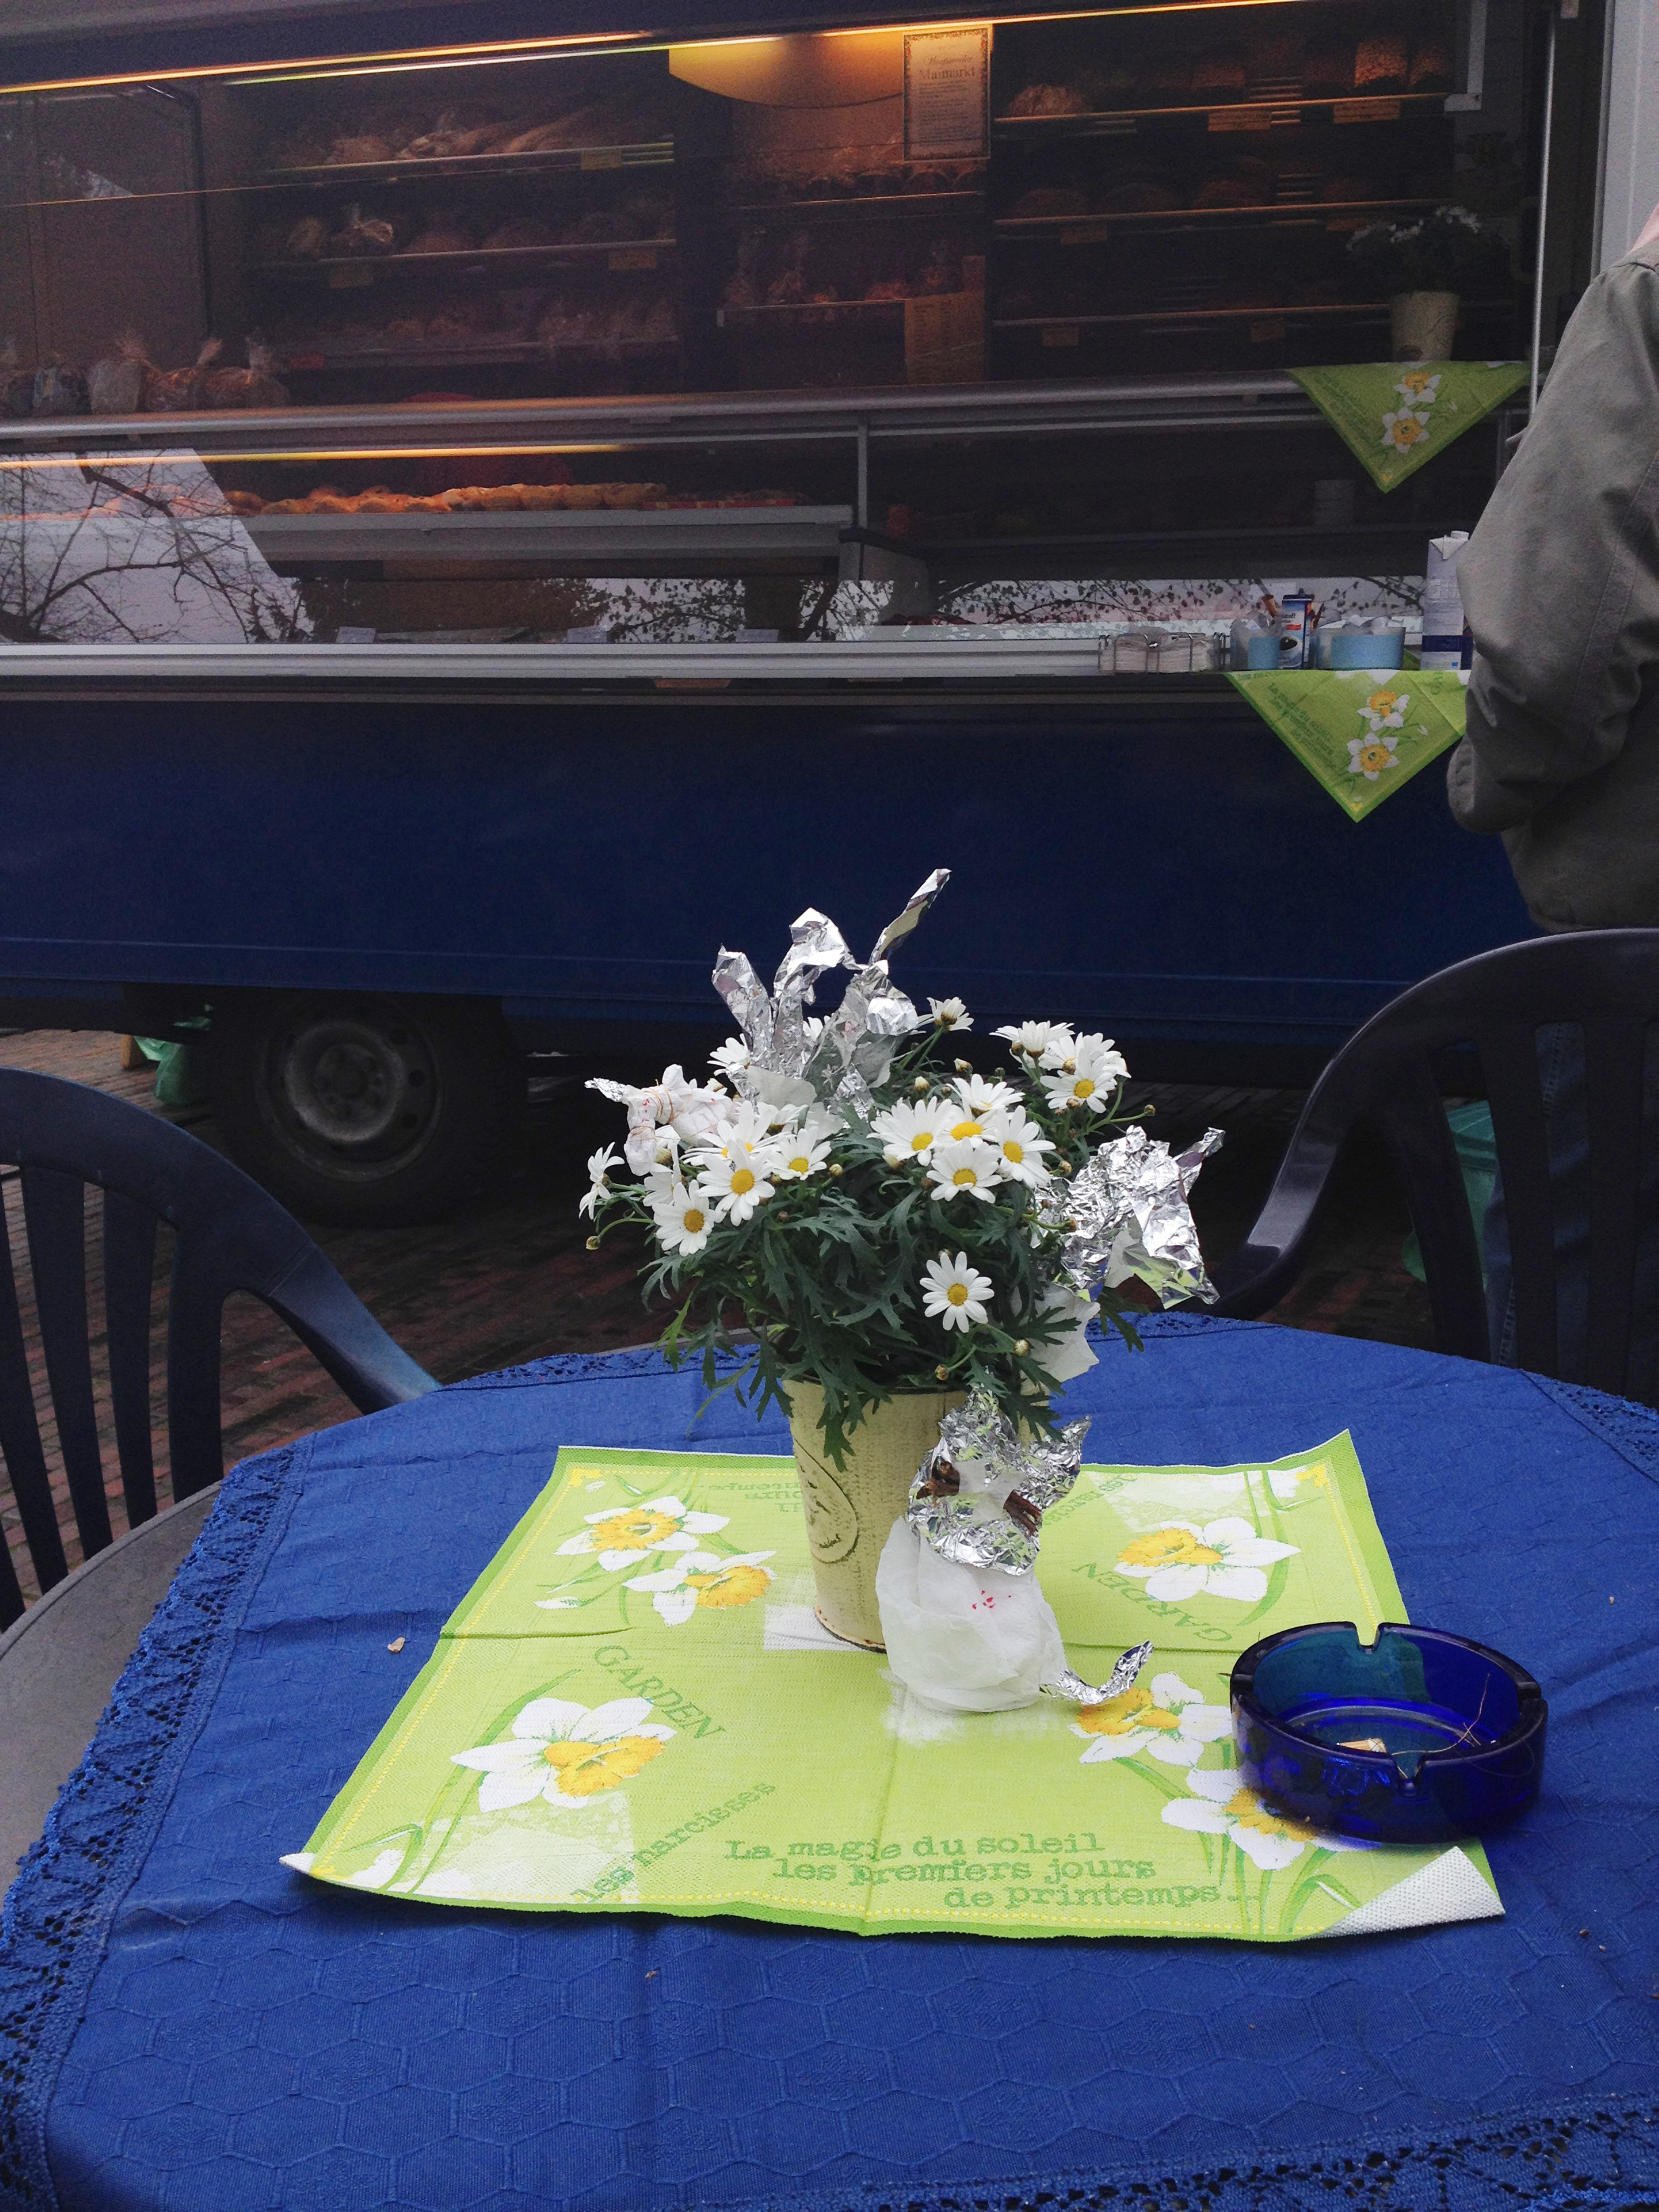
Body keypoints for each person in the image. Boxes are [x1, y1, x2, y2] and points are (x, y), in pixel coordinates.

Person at [1445, 220, 1659, 1375]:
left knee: (1582, 1345)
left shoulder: (1651, 291)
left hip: (1640, 964)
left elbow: (1554, 655)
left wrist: (1484, 779)